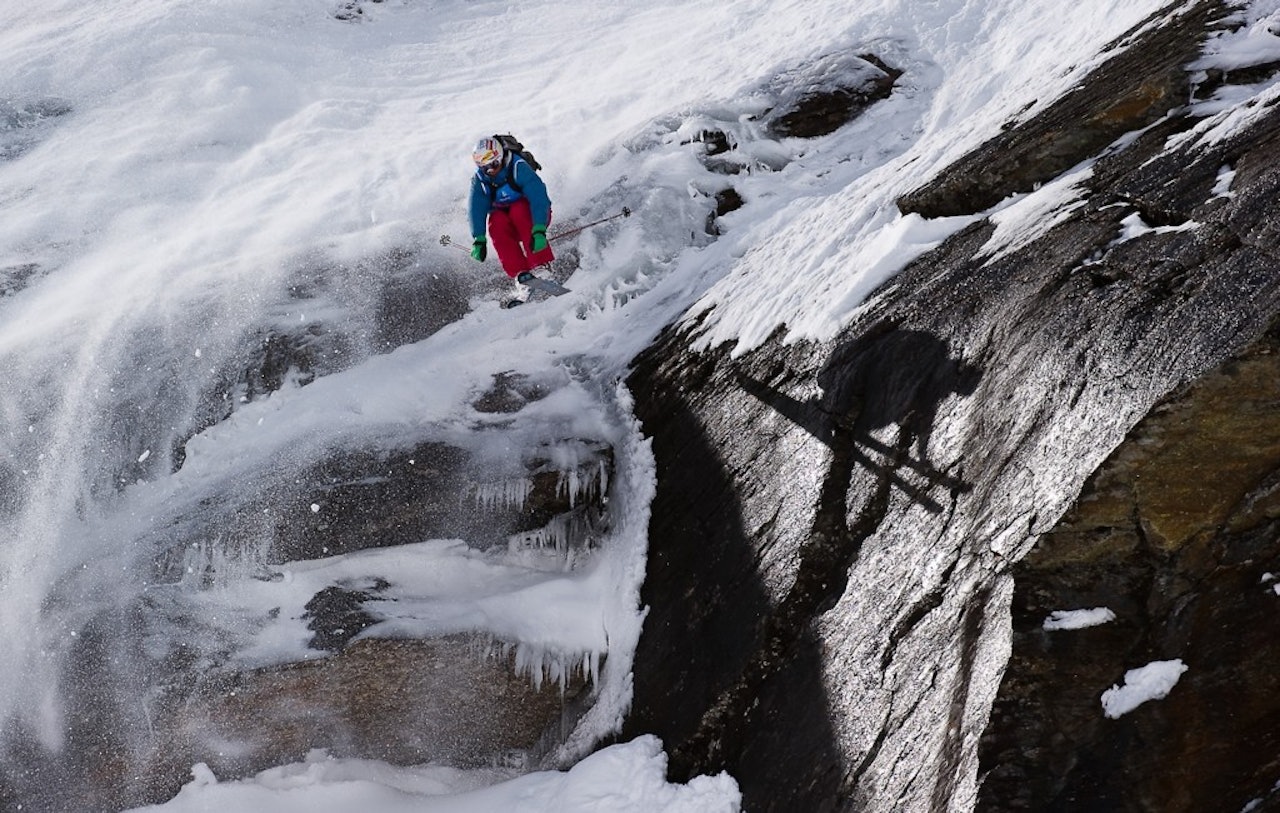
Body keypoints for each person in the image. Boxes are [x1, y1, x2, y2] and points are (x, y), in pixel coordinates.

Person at [467, 136, 553, 289]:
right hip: (508, 224)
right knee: (496, 222)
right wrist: (479, 238)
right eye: (485, 168)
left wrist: (539, 229)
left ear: (500, 158)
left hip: (534, 218)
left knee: (518, 210)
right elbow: (476, 208)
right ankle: (521, 275)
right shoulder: (480, 180)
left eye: (494, 164)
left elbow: (538, 197)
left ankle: (541, 265)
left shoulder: (518, 167)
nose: (491, 170)